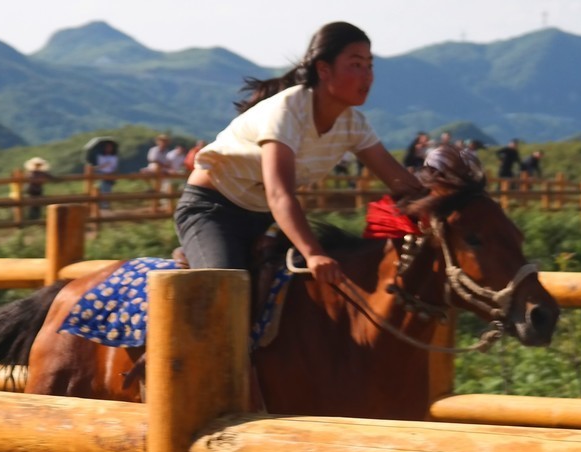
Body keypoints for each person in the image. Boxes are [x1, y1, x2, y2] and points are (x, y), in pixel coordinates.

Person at [175, 21, 422, 286]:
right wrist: (314, 254)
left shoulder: (355, 125)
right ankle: (200, 250)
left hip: (265, 216)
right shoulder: (287, 111)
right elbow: (279, 194)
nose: (367, 76)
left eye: (369, 66)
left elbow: (402, 183)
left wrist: (442, 207)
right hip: (213, 209)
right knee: (225, 290)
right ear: (324, 69)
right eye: (356, 64)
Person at [22, 157, 52, 221]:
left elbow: (50, 177)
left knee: (37, 204)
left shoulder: (41, 173)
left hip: (37, 190)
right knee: (32, 204)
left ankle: (36, 218)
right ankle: (32, 218)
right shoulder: (30, 173)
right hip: (31, 190)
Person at [92, 141, 119, 210]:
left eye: (110, 147)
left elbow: (114, 167)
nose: (109, 149)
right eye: (107, 147)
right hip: (102, 174)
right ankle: (103, 204)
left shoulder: (114, 157)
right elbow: (99, 167)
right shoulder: (100, 156)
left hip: (110, 174)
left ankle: (105, 204)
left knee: (107, 189)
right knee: (103, 188)